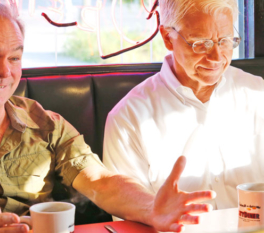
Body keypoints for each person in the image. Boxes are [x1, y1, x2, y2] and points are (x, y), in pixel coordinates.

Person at [0, 1, 215, 233]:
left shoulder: (45, 123)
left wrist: (153, 207)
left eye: (14, 57)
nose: (3, 71)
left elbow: (99, 181)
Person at [104, 0, 264, 212]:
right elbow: (128, 218)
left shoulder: (257, 94)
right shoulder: (129, 118)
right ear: (167, 38)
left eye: (225, 41)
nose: (217, 57)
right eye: (201, 43)